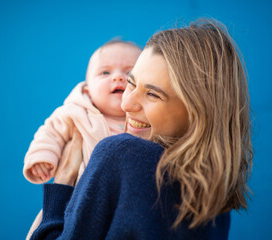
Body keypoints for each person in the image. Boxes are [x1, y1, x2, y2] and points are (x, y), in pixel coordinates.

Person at [30, 18, 253, 240]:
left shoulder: (122, 153)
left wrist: (62, 184)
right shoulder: (215, 202)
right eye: (132, 83)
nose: (125, 104)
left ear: (197, 112)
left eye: (152, 94)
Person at [23, 40, 142, 239]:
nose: (118, 77)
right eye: (105, 73)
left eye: (130, 73)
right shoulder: (76, 113)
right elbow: (51, 131)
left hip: (129, 203)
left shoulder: (146, 119)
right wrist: (43, 156)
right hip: (78, 198)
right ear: (87, 90)